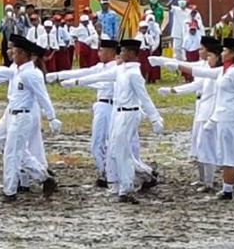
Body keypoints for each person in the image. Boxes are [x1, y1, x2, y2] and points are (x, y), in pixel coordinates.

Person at [163, 38, 234, 201]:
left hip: (231, 117)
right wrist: (175, 65)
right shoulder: (223, 71)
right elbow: (200, 72)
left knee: (229, 152)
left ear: (233, 54)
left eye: (225, 51)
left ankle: (229, 190)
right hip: (222, 116)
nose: (222, 53)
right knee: (231, 151)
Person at [61, 39, 163, 204]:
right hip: (118, 113)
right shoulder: (120, 70)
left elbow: (145, 98)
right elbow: (99, 77)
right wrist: (75, 82)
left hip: (129, 114)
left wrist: (155, 118)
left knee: (122, 152)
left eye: (123, 51)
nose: (120, 53)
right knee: (115, 151)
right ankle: (142, 176)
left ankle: (126, 189)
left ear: (131, 53)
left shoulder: (134, 74)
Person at [0, 35, 61, 202]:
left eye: (14, 52)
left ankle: (10, 191)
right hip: (11, 113)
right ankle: (42, 176)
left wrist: (52, 117)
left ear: (23, 54)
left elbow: (43, 96)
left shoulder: (32, 74)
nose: (12, 55)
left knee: (12, 153)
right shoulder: (17, 69)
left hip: (22, 115)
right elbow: (0, 72)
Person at [152, 36, 223, 191]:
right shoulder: (205, 65)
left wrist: (174, 72)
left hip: (209, 109)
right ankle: (203, 179)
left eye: (203, 49)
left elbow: (193, 73)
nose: (199, 51)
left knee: (206, 145)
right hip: (201, 106)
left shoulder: (216, 70)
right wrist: (162, 61)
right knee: (197, 144)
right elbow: (188, 68)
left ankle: (210, 182)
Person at [46, 39, 120, 187]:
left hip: (109, 106)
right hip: (101, 106)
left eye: (102, 50)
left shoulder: (116, 68)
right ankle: (107, 171)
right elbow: (84, 72)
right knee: (101, 143)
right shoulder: (101, 66)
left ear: (111, 52)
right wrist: (59, 75)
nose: (99, 53)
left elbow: (101, 83)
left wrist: (77, 82)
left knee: (101, 142)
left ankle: (109, 173)